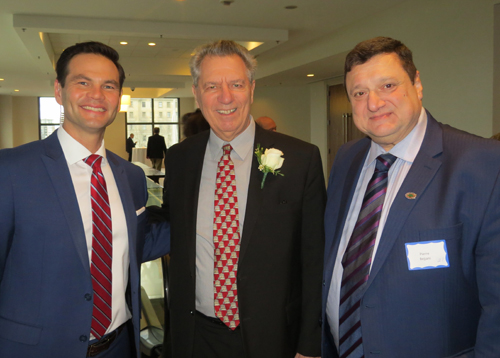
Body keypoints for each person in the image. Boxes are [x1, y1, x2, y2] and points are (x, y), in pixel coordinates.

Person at [322, 36, 500, 358]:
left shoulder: (483, 165)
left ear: (417, 84)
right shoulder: (347, 159)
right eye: (359, 93)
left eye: (388, 86)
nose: (373, 103)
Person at [0, 41, 169, 358]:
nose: (97, 95)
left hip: (119, 346)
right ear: (59, 90)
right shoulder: (10, 171)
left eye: (109, 85)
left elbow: (136, 244)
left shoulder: (131, 177)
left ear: (118, 98)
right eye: (83, 82)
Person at [162, 40, 326, 358]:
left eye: (236, 84)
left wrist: (310, 344)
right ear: (197, 93)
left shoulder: (300, 158)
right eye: (212, 86)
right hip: (197, 337)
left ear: (251, 89)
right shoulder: (180, 158)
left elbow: (314, 258)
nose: (226, 97)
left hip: (273, 338)